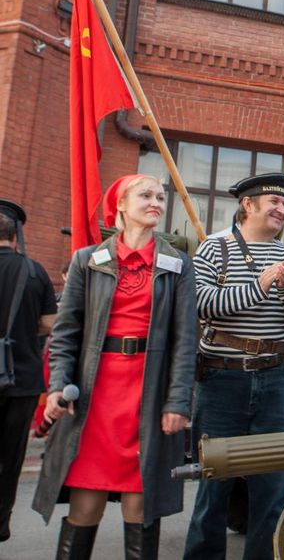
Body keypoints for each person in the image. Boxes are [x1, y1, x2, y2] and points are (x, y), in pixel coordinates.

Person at [32, 176, 196, 560]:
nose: (156, 202)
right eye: (146, 195)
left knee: (140, 506)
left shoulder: (178, 264)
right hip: (94, 397)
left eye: (161, 197)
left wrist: (177, 401)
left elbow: (186, 340)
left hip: (148, 396)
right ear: (120, 204)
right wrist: (57, 386)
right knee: (85, 505)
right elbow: (66, 333)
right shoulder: (87, 260)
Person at [183, 173, 284, 560]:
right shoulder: (214, 249)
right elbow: (201, 304)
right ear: (248, 204)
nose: (282, 210)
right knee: (214, 485)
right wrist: (260, 285)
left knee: (273, 488)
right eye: (274, 202)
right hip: (221, 378)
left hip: (276, 377)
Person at [0, 201, 57, 544]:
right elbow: (49, 323)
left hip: (21, 379)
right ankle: (1, 522)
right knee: (10, 456)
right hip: (21, 379)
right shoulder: (34, 272)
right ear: (15, 234)